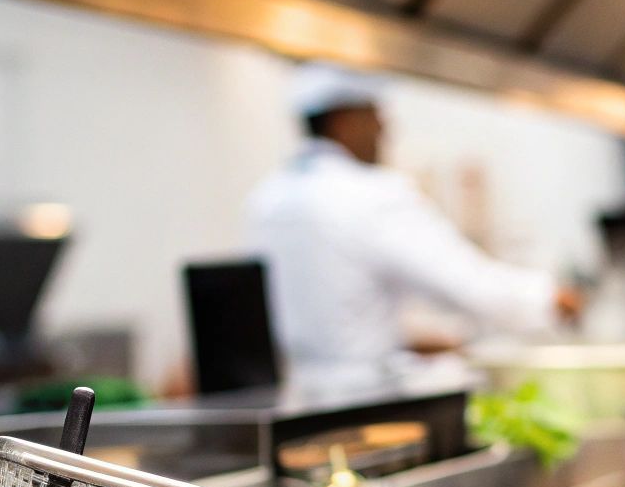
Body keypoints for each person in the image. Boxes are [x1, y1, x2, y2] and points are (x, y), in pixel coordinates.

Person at [245, 64, 579, 383]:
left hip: (297, 394)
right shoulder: (370, 195)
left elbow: (332, 313)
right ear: (343, 122)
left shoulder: (267, 199)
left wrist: (405, 339)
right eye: (375, 115)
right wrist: (549, 298)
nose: (385, 129)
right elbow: (467, 283)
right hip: (369, 399)